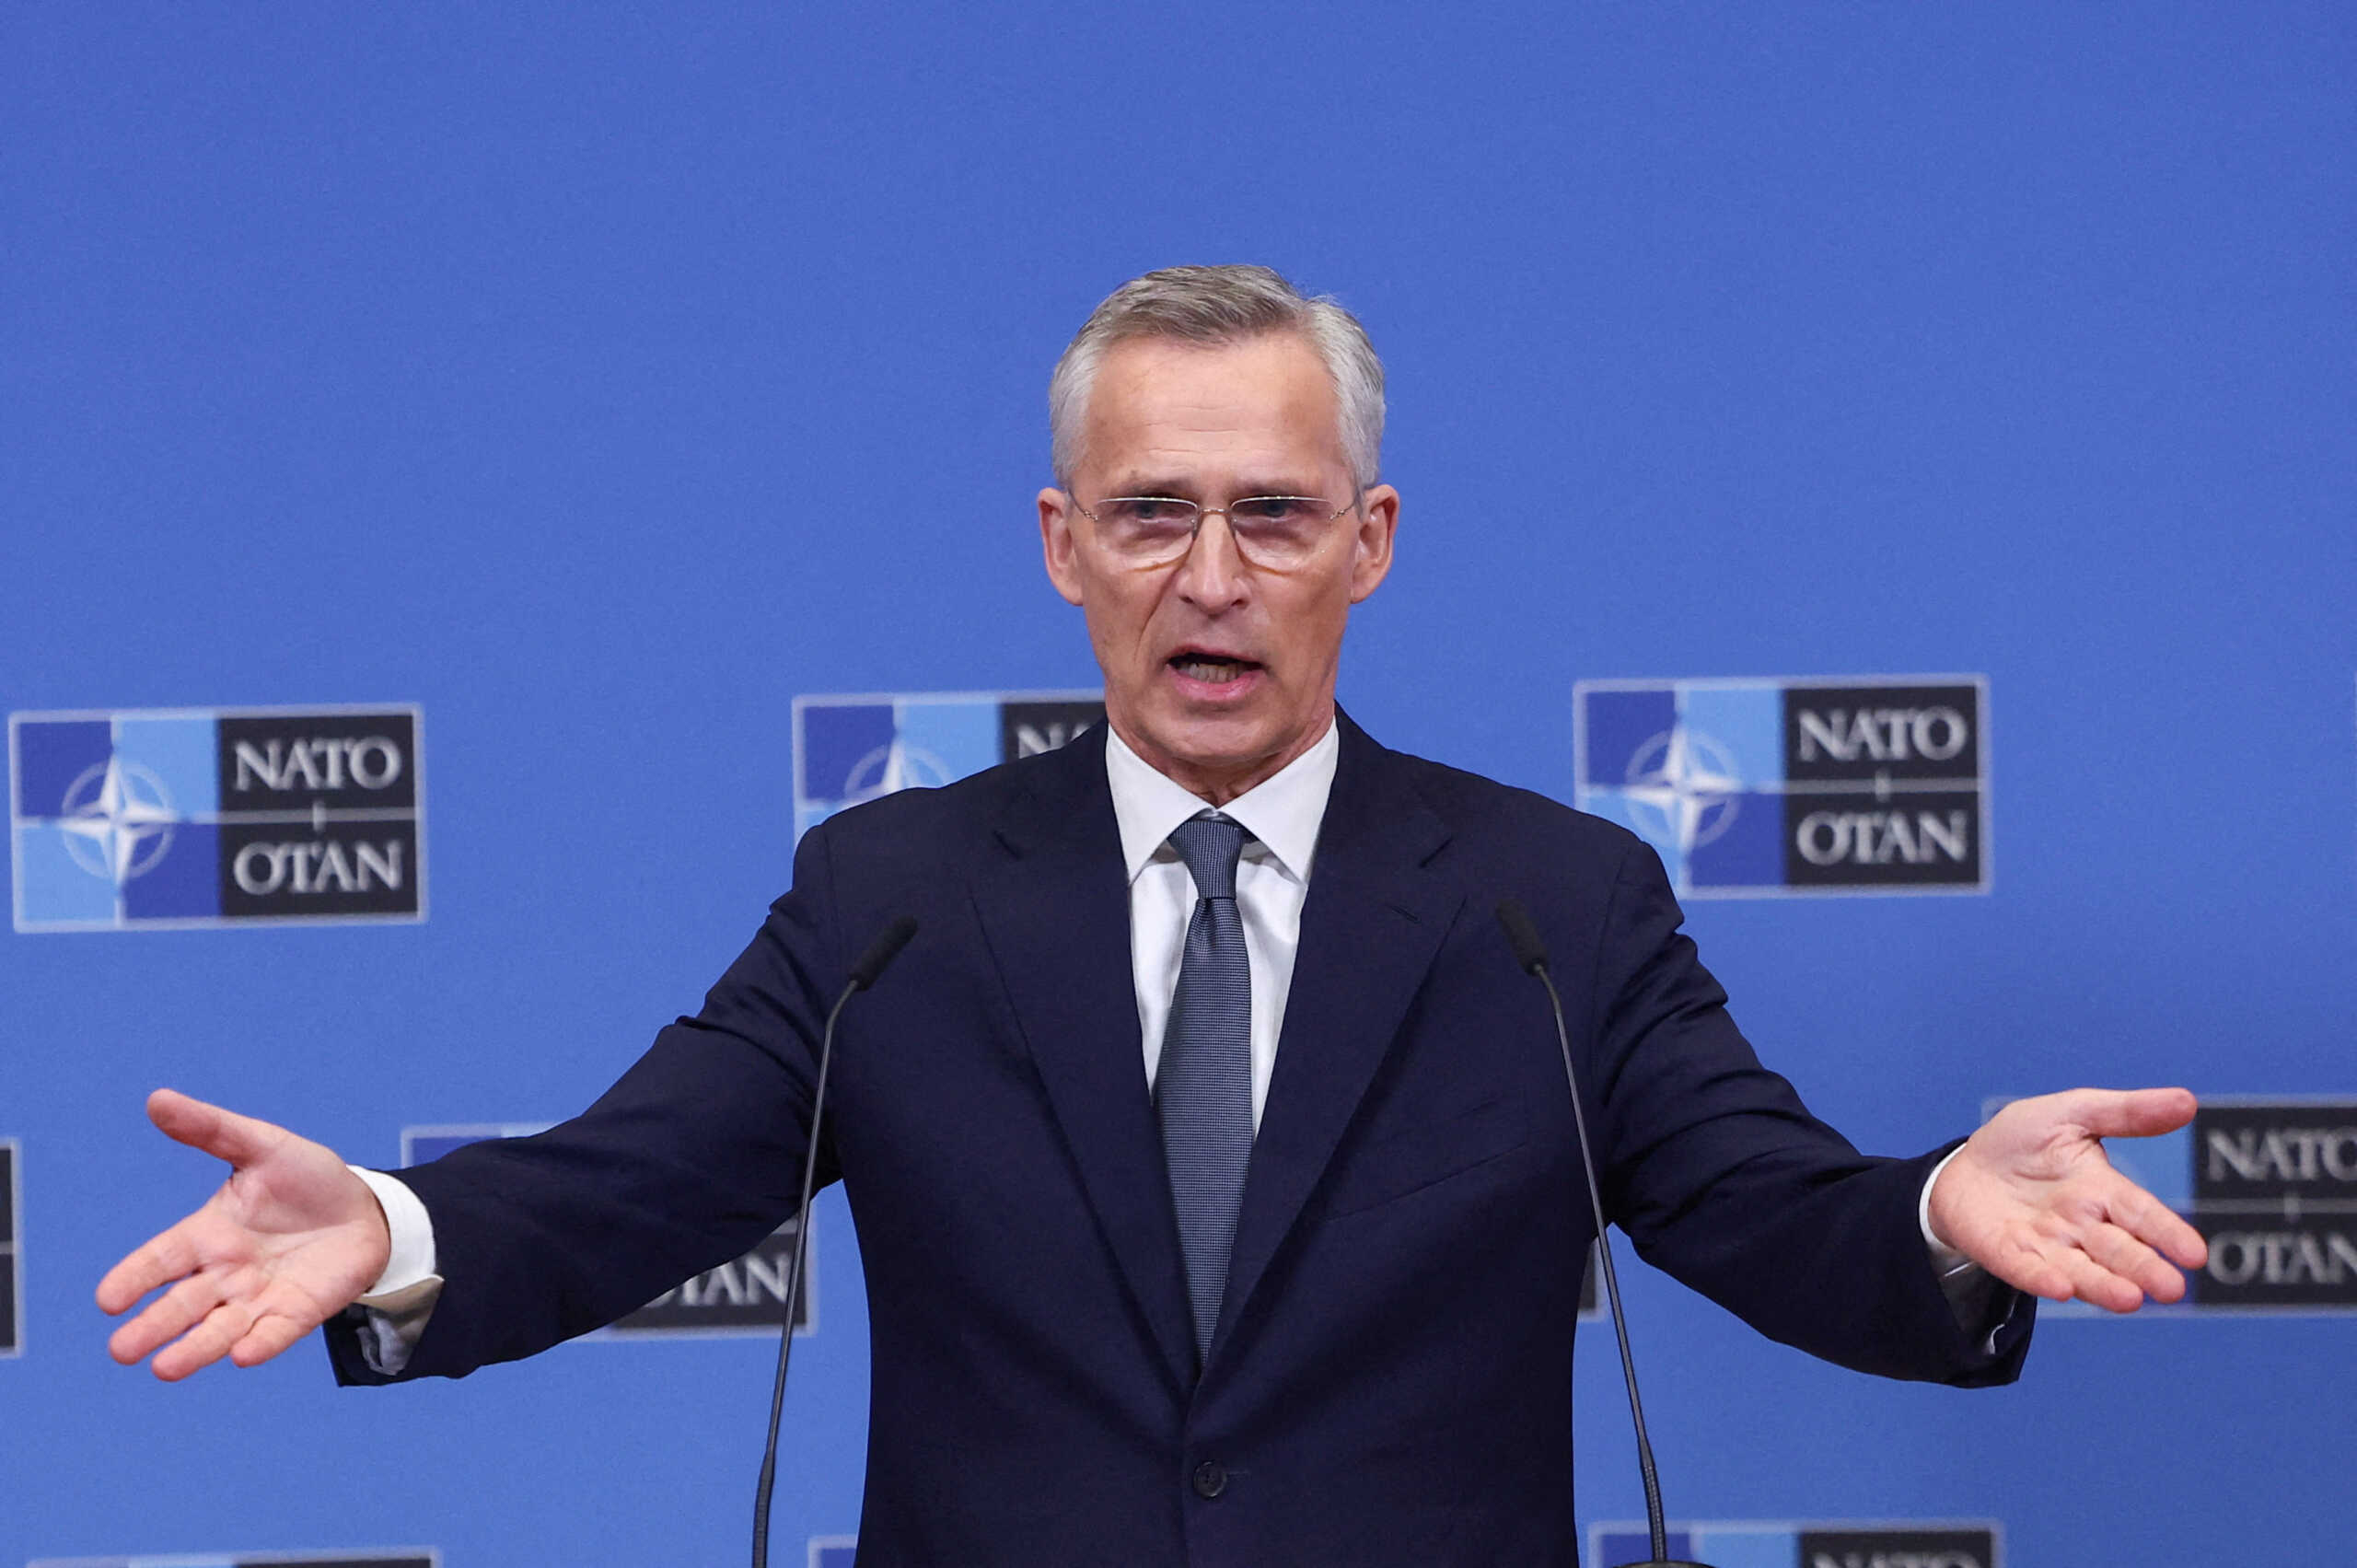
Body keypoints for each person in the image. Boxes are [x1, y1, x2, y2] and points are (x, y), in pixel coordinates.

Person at [99, 266, 2207, 1567]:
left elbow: (1762, 1207)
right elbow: (639, 1180)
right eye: (1150, 514)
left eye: (1271, 515)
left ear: (1365, 544)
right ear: (1061, 546)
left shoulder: (1547, 901)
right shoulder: (894, 895)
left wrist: (1935, 1207)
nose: (1211, 574)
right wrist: (391, 1230)